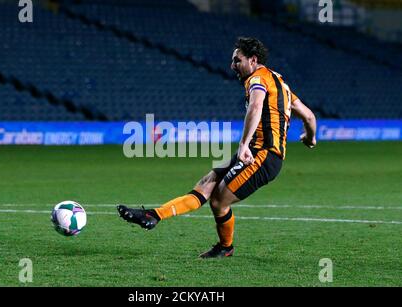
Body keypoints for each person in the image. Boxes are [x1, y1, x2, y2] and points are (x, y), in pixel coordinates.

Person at [117, 37, 317, 258]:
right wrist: (310, 137)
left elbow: (256, 106)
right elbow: (308, 115)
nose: (232, 66)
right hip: (255, 151)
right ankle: (153, 215)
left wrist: (243, 145)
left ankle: (226, 248)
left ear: (253, 59)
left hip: (264, 156)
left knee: (219, 200)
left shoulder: (257, 79)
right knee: (205, 185)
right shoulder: (280, 83)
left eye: (237, 60)